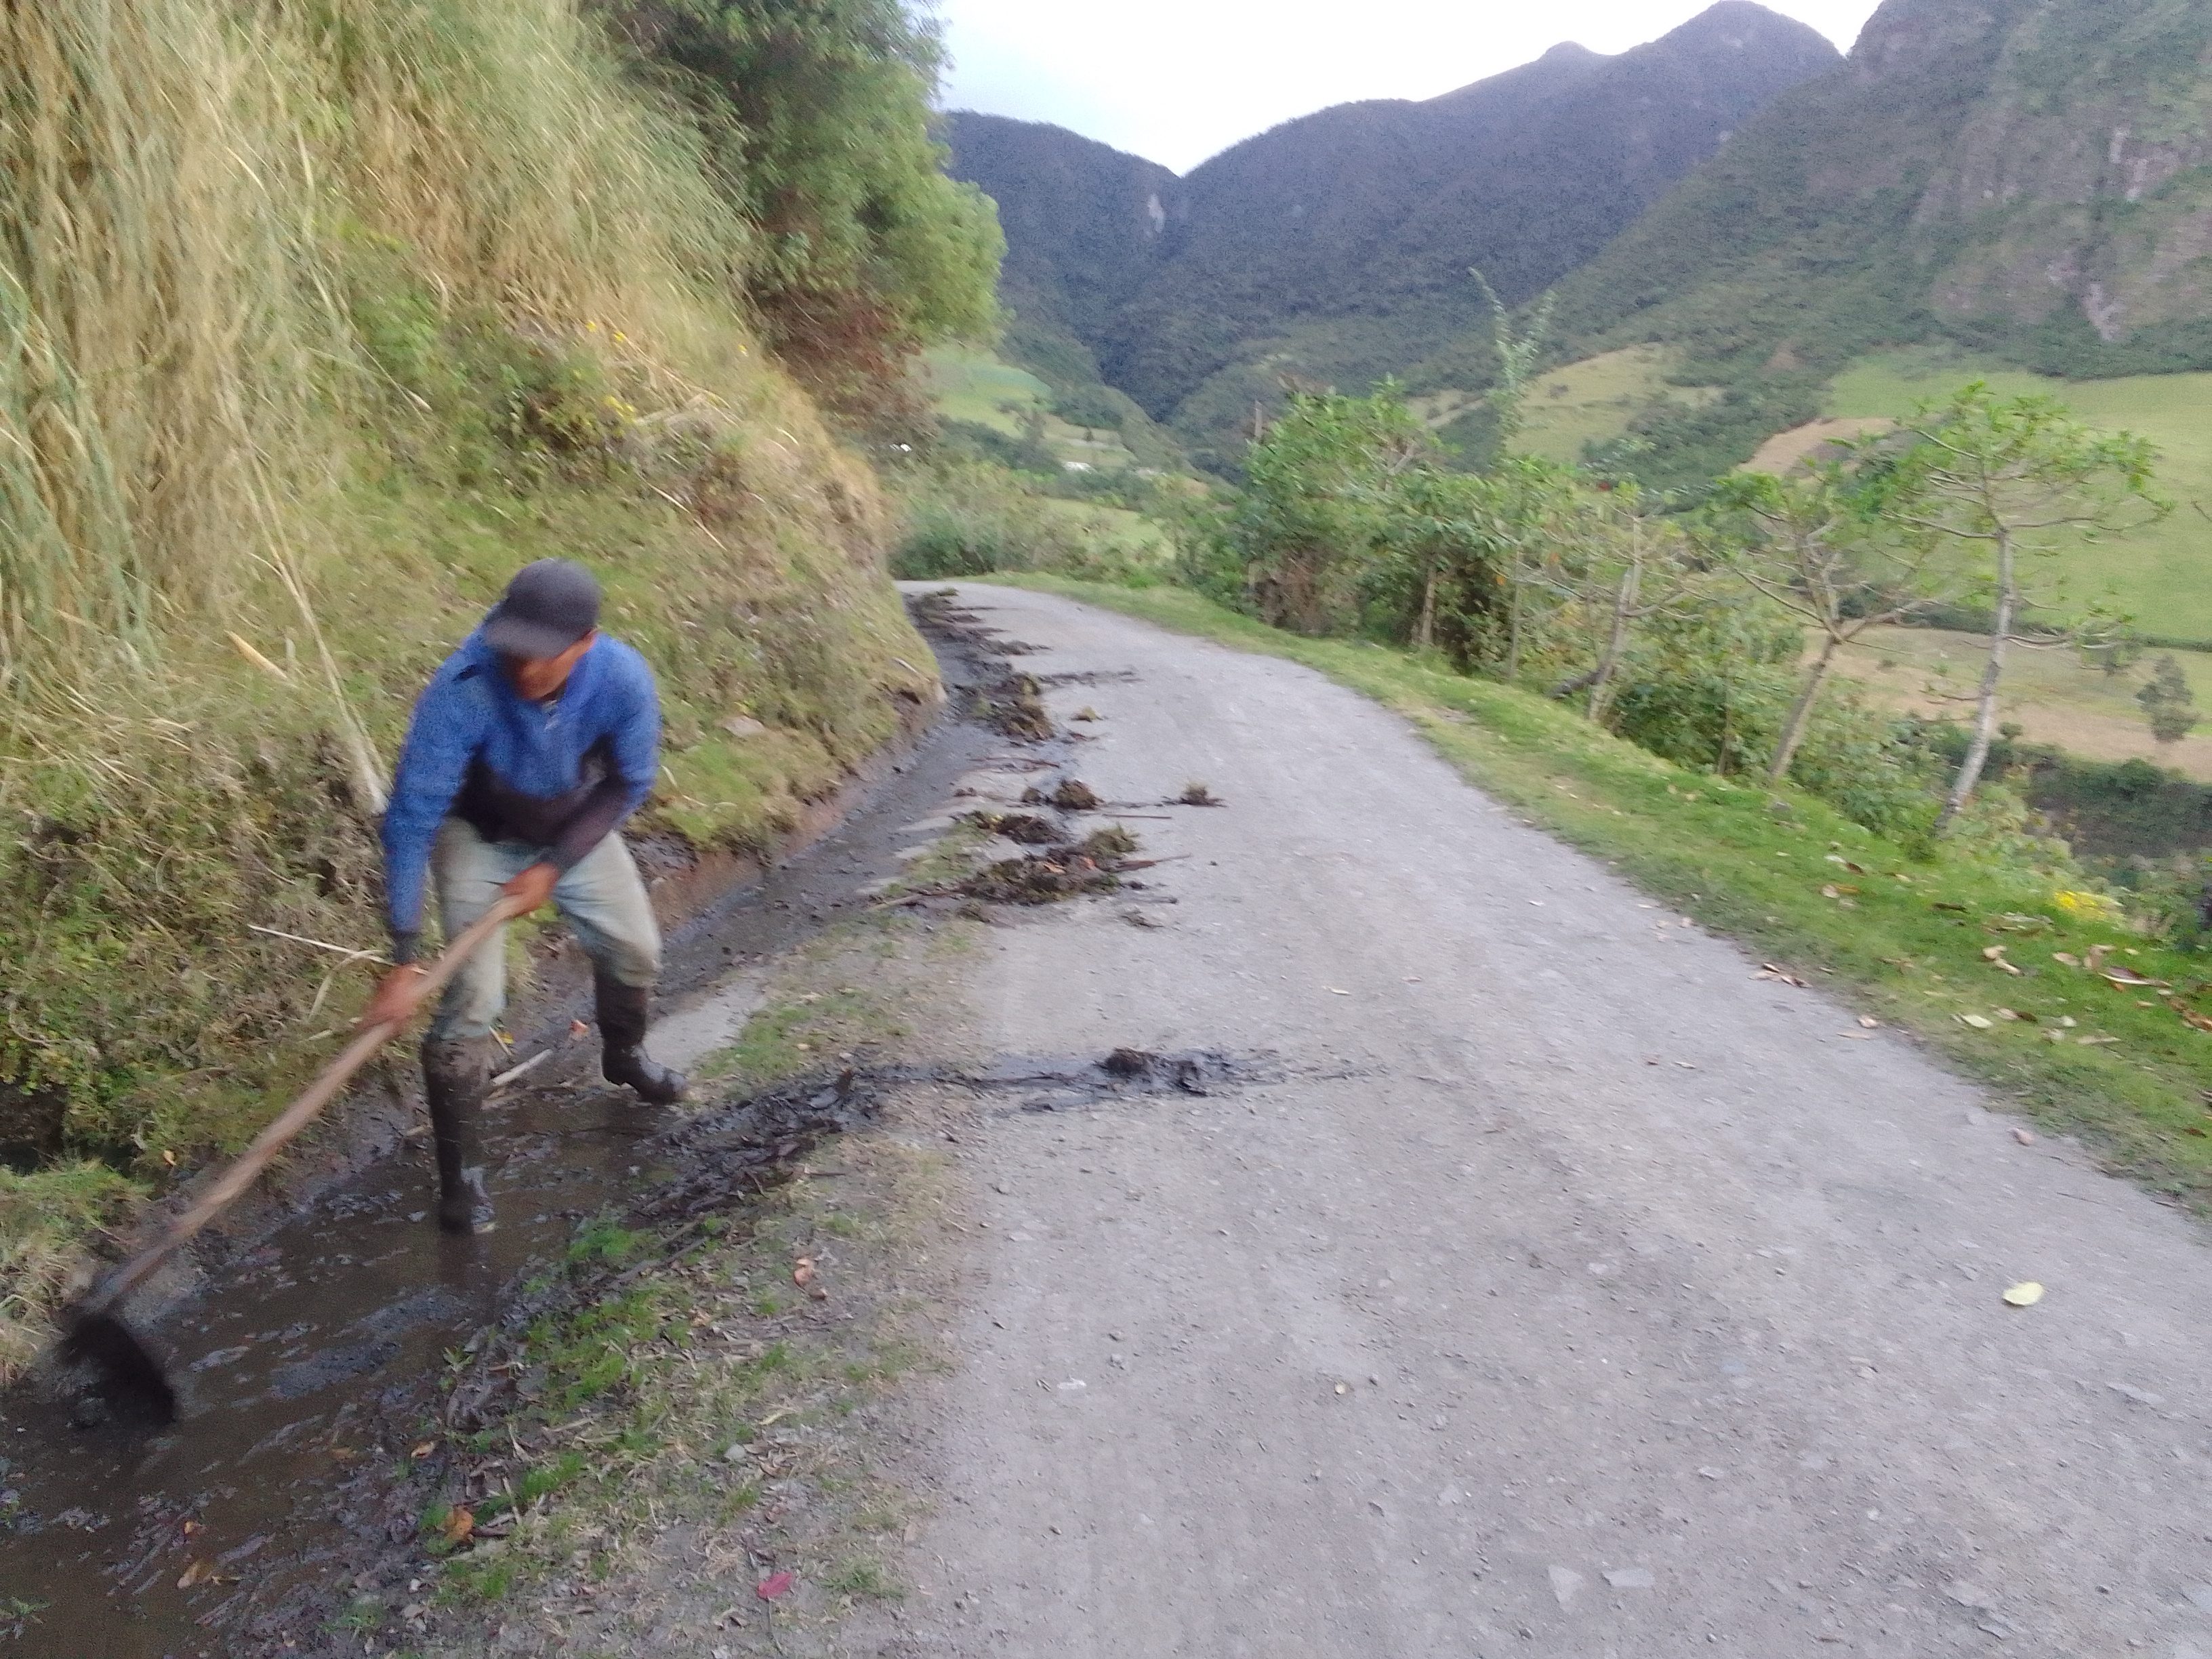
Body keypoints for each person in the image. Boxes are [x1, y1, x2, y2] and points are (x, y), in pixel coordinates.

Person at [363, 559, 687, 1234]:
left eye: (545, 655)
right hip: (479, 834)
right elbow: (412, 818)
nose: (526, 669)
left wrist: (556, 864)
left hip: (574, 829)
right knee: (474, 999)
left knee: (636, 949)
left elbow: (628, 782)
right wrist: (403, 955)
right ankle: (463, 1182)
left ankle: (624, 1057)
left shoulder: (621, 679)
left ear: (585, 643)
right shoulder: (465, 684)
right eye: (516, 649)